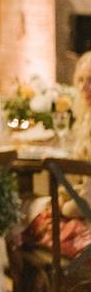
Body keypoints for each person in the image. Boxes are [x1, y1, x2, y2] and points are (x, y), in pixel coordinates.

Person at [22, 51, 91, 258]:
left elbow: (87, 203)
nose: (83, 88)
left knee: (20, 213)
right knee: (27, 208)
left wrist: (61, 207)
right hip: (83, 209)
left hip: (86, 226)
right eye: (80, 80)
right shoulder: (86, 119)